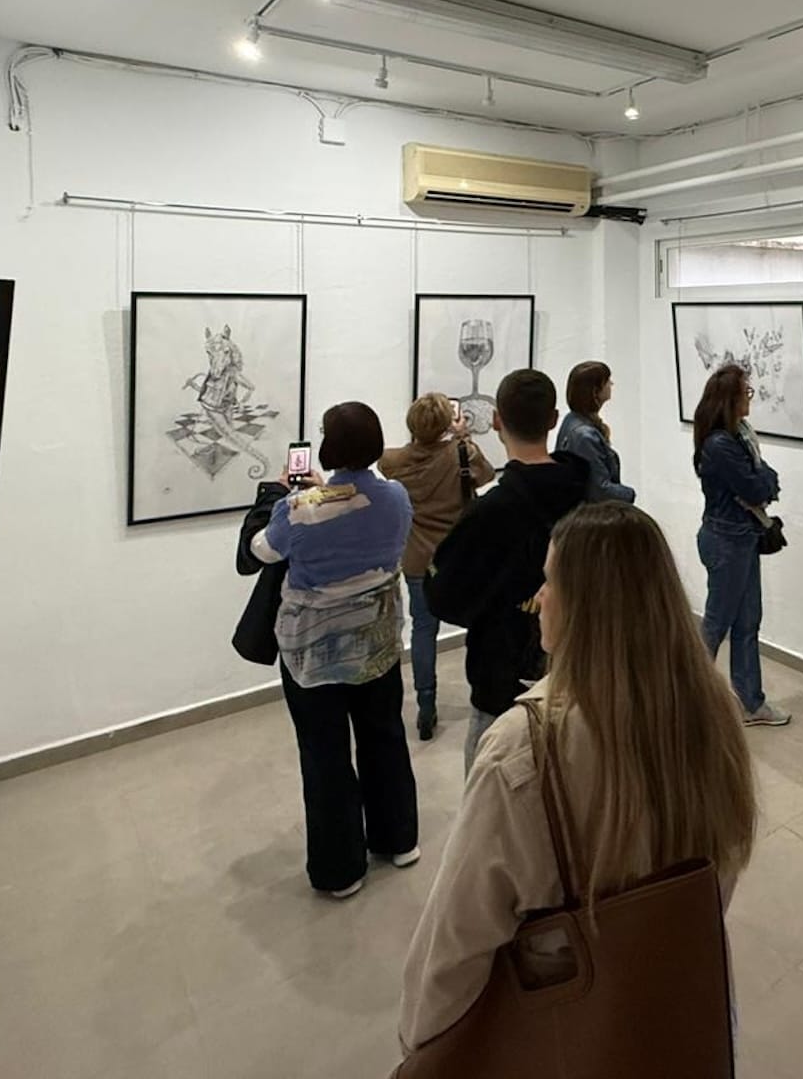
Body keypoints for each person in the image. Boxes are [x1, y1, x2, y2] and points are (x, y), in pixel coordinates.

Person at [398, 502, 759, 1055]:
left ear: (585, 606)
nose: (540, 597)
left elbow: (458, 942)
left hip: (572, 1025)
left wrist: (420, 1048)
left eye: (550, 581)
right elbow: (720, 867)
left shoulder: (523, 749)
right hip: (686, 997)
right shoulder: (716, 712)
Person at [237, 400, 419, 899]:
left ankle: (341, 869)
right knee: (385, 736)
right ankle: (399, 839)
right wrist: (322, 493)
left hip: (314, 653)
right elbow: (358, 509)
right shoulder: (396, 496)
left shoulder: (300, 508)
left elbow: (261, 551)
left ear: (328, 446)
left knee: (326, 755)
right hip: (377, 641)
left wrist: (280, 494)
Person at [425, 369, 590, 776]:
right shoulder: (589, 496)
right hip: (578, 669)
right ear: (554, 419)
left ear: (497, 420)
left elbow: (443, 596)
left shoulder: (489, 513)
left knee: (491, 796)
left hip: (501, 675)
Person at [381, 394, 497, 742]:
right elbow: (486, 474)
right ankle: (483, 694)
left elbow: (392, 462)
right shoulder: (461, 453)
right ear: (448, 422)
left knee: (423, 630)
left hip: (418, 559)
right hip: (458, 557)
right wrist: (463, 437)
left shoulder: (393, 461)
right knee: (478, 625)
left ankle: (426, 705)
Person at [692, 363, 788, 728]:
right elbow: (757, 487)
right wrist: (763, 481)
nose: (750, 398)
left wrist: (763, 480)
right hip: (725, 540)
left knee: (748, 621)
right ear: (729, 399)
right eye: (746, 392)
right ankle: (687, 700)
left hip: (742, 537)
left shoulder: (739, 436)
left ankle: (751, 702)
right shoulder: (721, 444)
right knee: (716, 624)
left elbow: (766, 480)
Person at [556, 360, 636, 504]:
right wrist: (629, 494)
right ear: (595, 390)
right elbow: (599, 491)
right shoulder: (584, 436)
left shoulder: (572, 420)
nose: (611, 384)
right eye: (607, 381)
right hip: (591, 513)